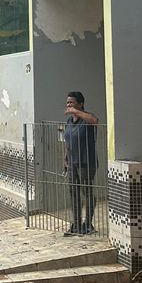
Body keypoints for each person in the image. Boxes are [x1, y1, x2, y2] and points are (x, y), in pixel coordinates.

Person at [63, 91, 99, 236]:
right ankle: (76, 224)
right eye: (68, 103)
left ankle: (88, 224)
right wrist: (65, 157)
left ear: (80, 104)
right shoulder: (69, 122)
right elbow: (68, 140)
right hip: (72, 163)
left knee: (87, 192)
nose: (69, 105)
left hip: (86, 162)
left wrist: (77, 112)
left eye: (72, 102)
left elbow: (95, 120)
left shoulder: (87, 120)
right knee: (74, 193)